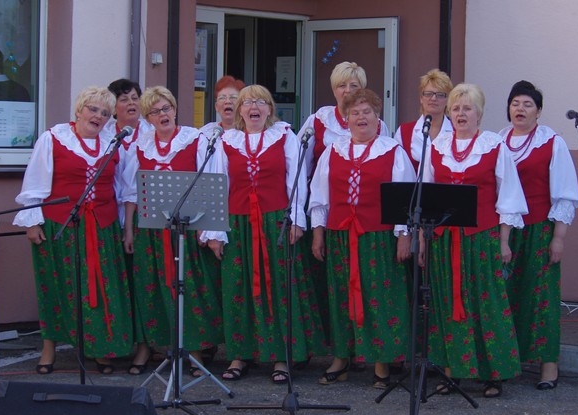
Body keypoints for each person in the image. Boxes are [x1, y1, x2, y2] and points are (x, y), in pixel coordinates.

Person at [207, 84, 325, 383]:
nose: (254, 107)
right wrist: (215, 231)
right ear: (240, 111)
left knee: (279, 288)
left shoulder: (284, 136)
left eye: (261, 101)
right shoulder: (226, 141)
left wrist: (296, 219)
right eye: (247, 102)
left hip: (276, 222)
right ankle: (240, 354)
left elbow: (295, 180)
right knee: (239, 287)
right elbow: (217, 185)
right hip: (239, 224)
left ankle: (282, 356)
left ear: (270, 109)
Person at [13, 86, 133, 375]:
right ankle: (49, 348)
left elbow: (122, 190)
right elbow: (35, 182)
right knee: (57, 287)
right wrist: (32, 221)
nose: (98, 116)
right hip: (61, 225)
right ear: (79, 110)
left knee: (102, 288)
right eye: (93, 109)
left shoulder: (113, 144)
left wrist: (123, 227)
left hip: (102, 229)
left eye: (105, 113)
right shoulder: (54, 138)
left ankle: (100, 348)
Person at [420, 83, 527, 398]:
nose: (461, 113)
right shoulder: (437, 146)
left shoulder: (494, 146)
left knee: (486, 302)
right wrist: (423, 240)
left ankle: (493, 373)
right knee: (446, 302)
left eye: (467, 108)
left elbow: (508, 196)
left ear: (479, 113)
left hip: (481, 239)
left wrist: (504, 241)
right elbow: (425, 193)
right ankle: (452, 370)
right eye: (455, 108)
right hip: (444, 240)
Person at [308, 88, 415, 389]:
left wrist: (403, 236)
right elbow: (320, 196)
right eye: (354, 113)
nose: (361, 117)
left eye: (367, 112)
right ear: (346, 119)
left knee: (380, 298)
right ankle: (341, 358)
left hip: (378, 238)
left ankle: (382, 362)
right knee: (341, 297)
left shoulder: (392, 151)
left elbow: (405, 199)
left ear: (377, 117)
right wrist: (318, 233)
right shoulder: (334, 151)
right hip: (340, 236)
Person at [120, 86, 224, 375]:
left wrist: (208, 230)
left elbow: (211, 181)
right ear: (148, 118)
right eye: (155, 112)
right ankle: (151, 347)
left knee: (190, 288)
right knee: (151, 287)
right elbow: (130, 191)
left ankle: (195, 350)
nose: (162, 115)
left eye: (166, 108)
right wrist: (128, 230)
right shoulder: (140, 145)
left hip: (188, 229)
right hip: (151, 231)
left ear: (175, 110)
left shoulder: (195, 139)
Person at [499, 80, 578, 390]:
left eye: (527, 104)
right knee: (504, 294)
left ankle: (548, 365)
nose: (520, 109)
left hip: (538, 230)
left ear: (539, 111)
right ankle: (508, 361)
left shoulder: (552, 143)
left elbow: (565, 194)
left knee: (541, 295)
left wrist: (558, 237)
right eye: (515, 103)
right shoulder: (496, 141)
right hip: (505, 231)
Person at [299, 61, 390, 178]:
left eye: (354, 86)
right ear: (334, 90)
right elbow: (300, 164)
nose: (348, 90)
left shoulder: (376, 125)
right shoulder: (318, 121)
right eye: (342, 85)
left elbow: (386, 163)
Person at [394, 68, 453, 172]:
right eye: (428, 94)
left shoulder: (456, 131)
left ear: (448, 100)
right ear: (421, 98)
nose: (433, 98)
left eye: (440, 95)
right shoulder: (404, 132)